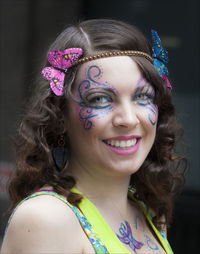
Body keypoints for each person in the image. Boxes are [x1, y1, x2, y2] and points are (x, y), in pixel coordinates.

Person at [1, 19, 186, 254]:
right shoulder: (46, 219)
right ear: (61, 116)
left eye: (142, 96)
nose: (128, 119)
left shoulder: (148, 211)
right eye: (100, 99)